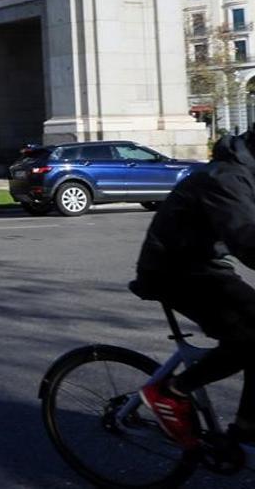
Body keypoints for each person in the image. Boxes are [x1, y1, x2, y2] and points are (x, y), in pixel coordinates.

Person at [133, 130, 255, 449]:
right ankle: (171, 391)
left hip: (203, 266)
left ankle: (245, 430)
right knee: (250, 337)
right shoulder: (227, 178)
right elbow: (246, 239)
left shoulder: (247, 173)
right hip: (173, 269)